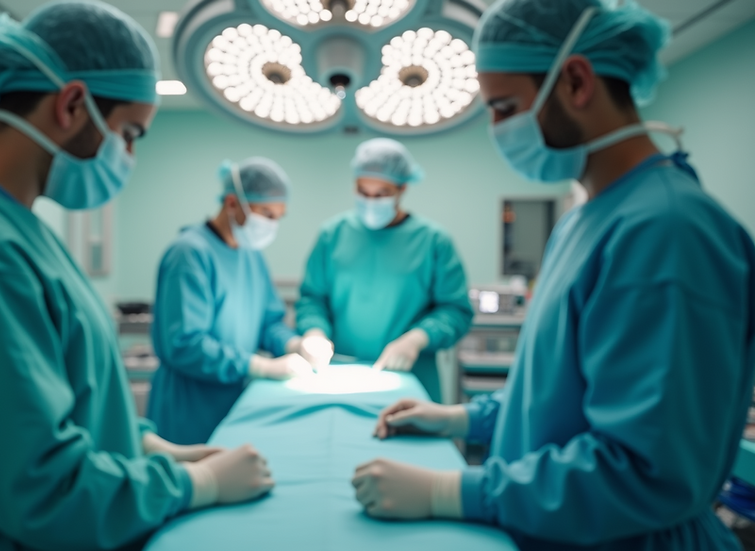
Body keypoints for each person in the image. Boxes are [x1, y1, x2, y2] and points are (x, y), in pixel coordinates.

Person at [351, 1, 755, 550]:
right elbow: (553, 399)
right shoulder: (582, 222)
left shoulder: (668, 232)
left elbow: (645, 471)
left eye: (503, 106)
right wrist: (460, 420)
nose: (497, 129)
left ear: (576, 81)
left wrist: (454, 492)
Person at [0, 4, 273, 550]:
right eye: (129, 134)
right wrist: (192, 483)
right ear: (71, 104)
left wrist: (155, 450)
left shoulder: (13, 228)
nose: (128, 156)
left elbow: (68, 409)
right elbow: (41, 490)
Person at [148, 157, 312, 446]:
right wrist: (257, 365)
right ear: (233, 203)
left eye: (278, 217)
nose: (272, 225)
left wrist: (294, 344)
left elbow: (269, 322)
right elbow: (185, 344)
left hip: (235, 401)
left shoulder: (252, 256)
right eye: (266, 214)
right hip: (190, 408)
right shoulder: (189, 255)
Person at [296, 138, 473, 399]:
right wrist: (314, 332)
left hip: (412, 377)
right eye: (362, 191)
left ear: (402, 189)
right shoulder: (331, 235)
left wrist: (418, 338)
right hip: (336, 375)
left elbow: (455, 310)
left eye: (381, 194)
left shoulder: (433, 241)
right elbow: (312, 298)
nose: (371, 201)